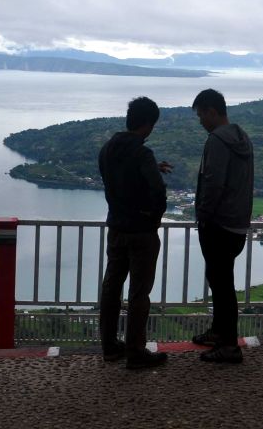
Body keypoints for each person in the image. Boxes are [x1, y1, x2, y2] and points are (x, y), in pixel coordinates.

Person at [98, 96, 172, 370]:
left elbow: (117, 180)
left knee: (111, 287)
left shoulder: (107, 149)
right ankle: (135, 352)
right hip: (141, 232)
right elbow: (157, 192)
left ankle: (109, 346)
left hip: (116, 228)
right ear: (149, 124)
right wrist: (154, 219)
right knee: (139, 292)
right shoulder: (143, 154)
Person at [190, 88, 254, 364]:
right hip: (238, 222)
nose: (201, 121)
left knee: (222, 285)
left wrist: (203, 215)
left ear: (212, 111)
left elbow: (213, 182)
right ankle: (219, 332)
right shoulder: (243, 138)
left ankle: (228, 345)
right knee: (222, 282)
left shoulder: (216, 141)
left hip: (218, 223)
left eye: (201, 115)